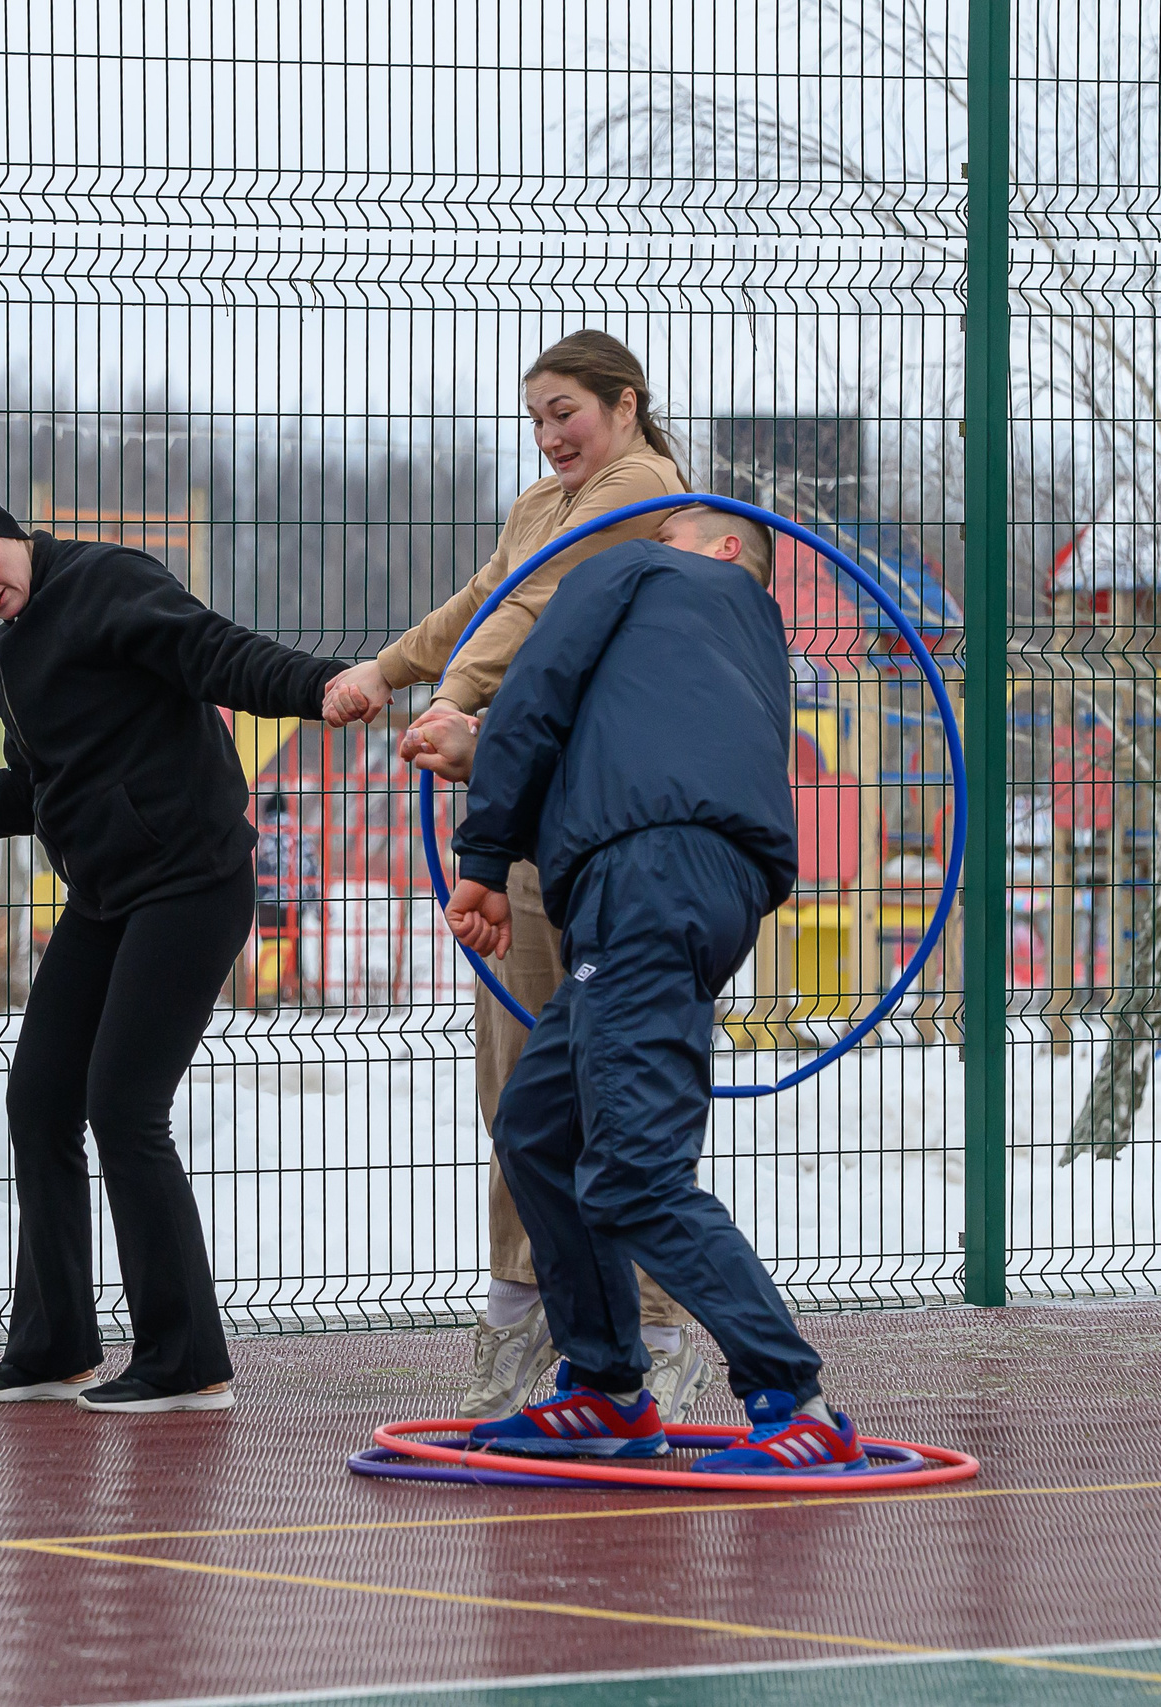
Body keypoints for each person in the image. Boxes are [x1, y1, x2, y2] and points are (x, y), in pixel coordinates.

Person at [0, 476, 365, 1413]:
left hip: (191, 880)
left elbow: (213, 652)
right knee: (40, 1099)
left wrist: (320, 686)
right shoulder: (8, 661)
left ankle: (186, 1359)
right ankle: (54, 1345)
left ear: (6, 533)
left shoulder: (106, 583)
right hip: (105, 897)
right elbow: (34, 790)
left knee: (123, 1104)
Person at [423, 506, 863, 1474]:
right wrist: (491, 765)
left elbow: (537, 688)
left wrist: (484, 857)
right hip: (686, 885)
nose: (644, 537)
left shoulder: (638, 571)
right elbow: (615, 760)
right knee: (540, 1129)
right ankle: (606, 1387)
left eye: (665, 531)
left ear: (722, 547)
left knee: (633, 1172)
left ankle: (793, 1398)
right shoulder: (739, 645)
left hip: (647, 878)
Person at [319, 330, 706, 1420]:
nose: (549, 435)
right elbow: (486, 595)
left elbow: (536, 610)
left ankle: (656, 1324)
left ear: (624, 403)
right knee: (518, 1080)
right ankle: (524, 1301)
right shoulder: (543, 502)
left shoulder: (642, 488)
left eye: (565, 411)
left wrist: (455, 698)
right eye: (535, 417)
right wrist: (386, 670)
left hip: (621, 825)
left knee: (613, 1086)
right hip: (536, 812)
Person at [250, 791, 320, 1004]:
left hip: (269, 902)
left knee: (272, 946)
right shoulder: (299, 835)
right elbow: (311, 869)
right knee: (294, 947)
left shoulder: (263, 834)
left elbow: (254, 868)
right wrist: (314, 903)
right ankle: (297, 992)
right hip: (295, 902)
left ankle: (267, 994)